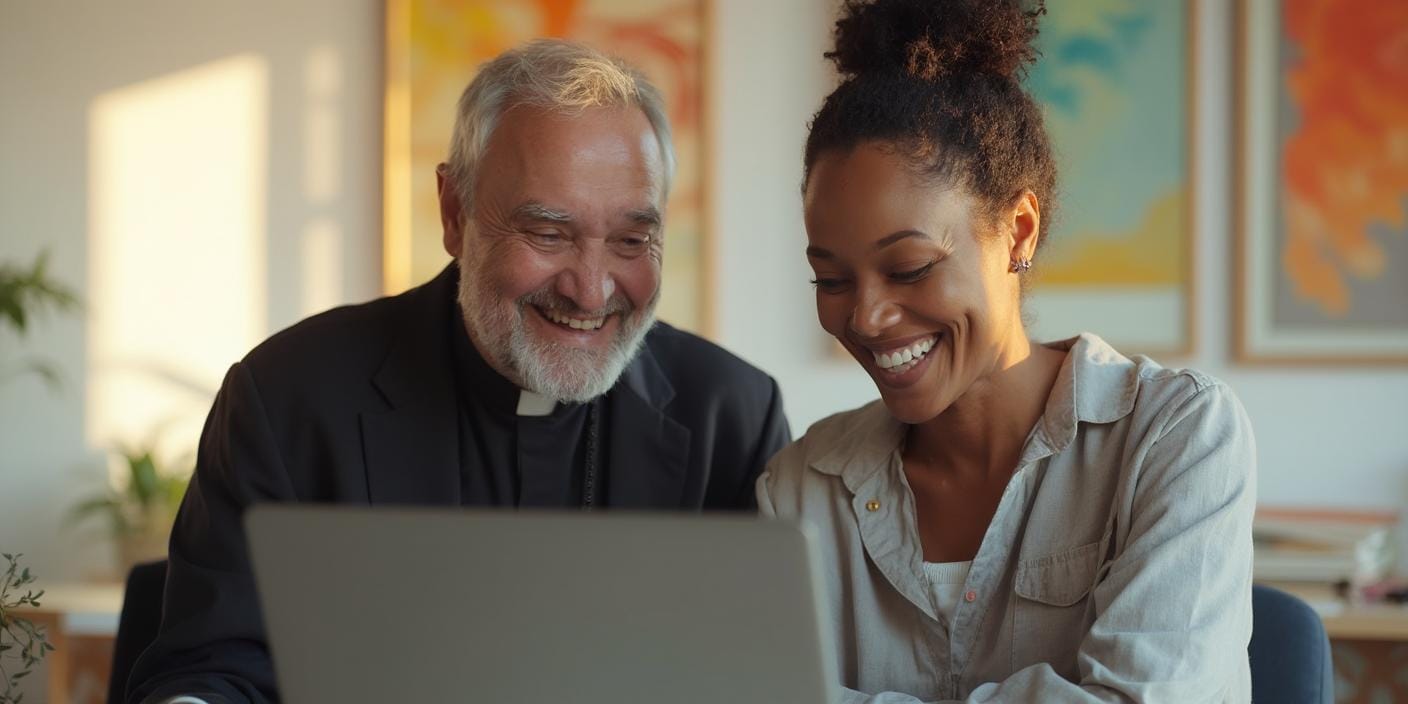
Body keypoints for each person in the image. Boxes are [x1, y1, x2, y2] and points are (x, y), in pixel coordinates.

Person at [127, 39, 791, 704]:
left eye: (630, 240)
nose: (591, 291)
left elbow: (774, 676)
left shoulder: (731, 416)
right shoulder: (287, 396)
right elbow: (212, 668)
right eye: (549, 233)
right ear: (454, 212)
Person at [757, 1, 1255, 701]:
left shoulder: (1174, 437)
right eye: (832, 279)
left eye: (909, 269)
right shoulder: (801, 491)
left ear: (1018, 232)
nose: (865, 316)